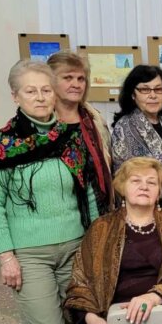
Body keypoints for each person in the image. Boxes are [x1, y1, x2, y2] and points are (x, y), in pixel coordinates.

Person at [0, 60, 105, 324]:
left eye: (46, 90)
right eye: (31, 91)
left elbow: (88, 194)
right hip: (30, 256)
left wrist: (96, 244)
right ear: (15, 96)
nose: (40, 98)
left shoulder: (71, 138)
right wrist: (6, 258)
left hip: (75, 248)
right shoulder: (2, 144)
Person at [64, 157, 162, 324]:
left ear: (159, 191)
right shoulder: (101, 228)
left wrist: (155, 297)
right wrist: (91, 319)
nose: (144, 186)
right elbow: (79, 285)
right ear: (122, 187)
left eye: (151, 182)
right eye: (136, 180)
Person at [110, 64, 162, 225]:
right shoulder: (125, 128)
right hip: (144, 217)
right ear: (133, 94)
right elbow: (129, 181)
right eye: (145, 90)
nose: (153, 95)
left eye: (158, 89)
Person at [47, 51, 114, 213]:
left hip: (99, 209)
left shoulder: (96, 120)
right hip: (58, 211)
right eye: (68, 78)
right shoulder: (42, 123)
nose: (76, 84)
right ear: (51, 81)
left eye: (81, 79)